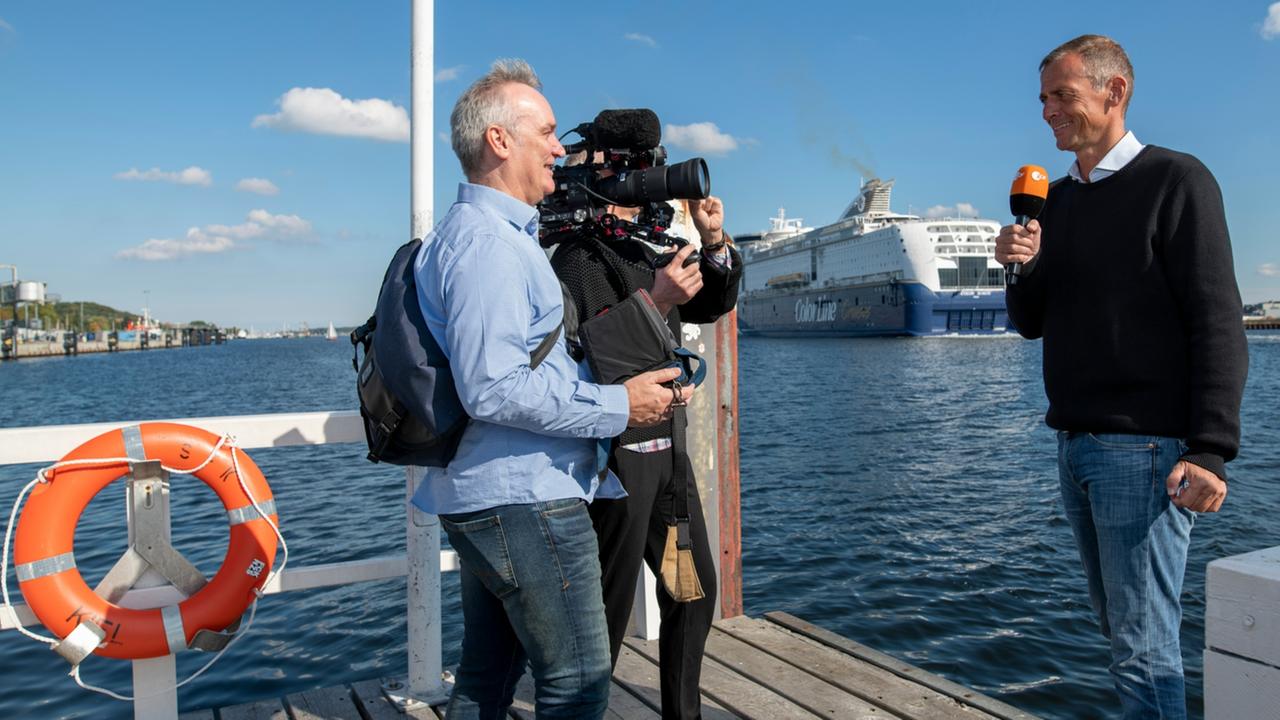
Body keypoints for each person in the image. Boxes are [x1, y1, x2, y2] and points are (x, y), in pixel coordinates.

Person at [412, 59, 693, 719]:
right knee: (578, 684)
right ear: (499, 141)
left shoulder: (479, 237)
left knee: (487, 679)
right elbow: (493, 387)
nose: (559, 148)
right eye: (543, 130)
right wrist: (620, 404)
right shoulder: (489, 248)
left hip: (494, 491)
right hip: (523, 499)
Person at [995, 35, 1248, 719]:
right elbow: (1031, 322)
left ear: (1115, 92)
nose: (1047, 110)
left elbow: (1217, 319)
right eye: (1043, 98)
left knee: (1142, 645)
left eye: (1061, 95)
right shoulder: (1060, 203)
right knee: (1123, 633)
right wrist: (1020, 264)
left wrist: (1210, 448)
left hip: (1143, 450)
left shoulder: (1177, 181)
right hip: (1076, 446)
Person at [551, 187, 742, 718]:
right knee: (606, 609)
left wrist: (712, 241)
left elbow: (710, 302)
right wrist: (656, 298)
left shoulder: (646, 247)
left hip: (669, 459)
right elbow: (587, 347)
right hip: (616, 458)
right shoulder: (577, 257)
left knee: (693, 591)